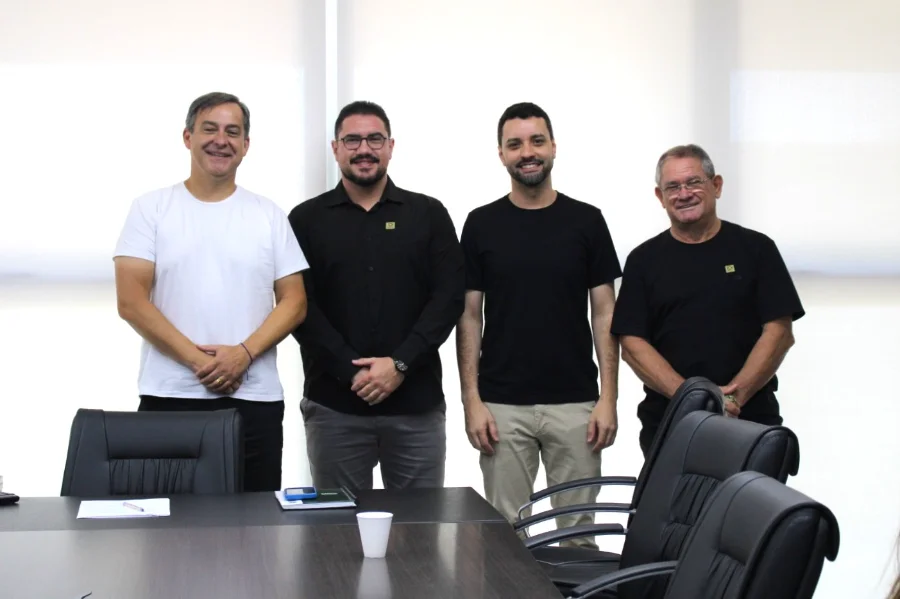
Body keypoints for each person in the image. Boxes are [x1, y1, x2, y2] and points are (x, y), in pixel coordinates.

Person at [113, 92, 309, 492]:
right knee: (168, 523)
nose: (222, 140)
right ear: (188, 137)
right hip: (169, 394)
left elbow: (294, 301)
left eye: (233, 132)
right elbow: (131, 302)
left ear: (246, 145)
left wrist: (243, 355)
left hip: (254, 399)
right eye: (210, 129)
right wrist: (201, 362)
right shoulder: (151, 209)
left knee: (254, 522)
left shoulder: (269, 214)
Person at [456, 102, 621, 546]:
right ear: (501, 154)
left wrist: (608, 397)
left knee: (579, 538)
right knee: (504, 541)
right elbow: (468, 316)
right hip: (502, 407)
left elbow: (605, 312)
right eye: (515, 144)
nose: (527, 152)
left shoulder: (587, 221)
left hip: (576, 405)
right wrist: (472, 400)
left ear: (553, 147)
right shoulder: (480, 224)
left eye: (536, 141)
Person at [288, 100, 464, 491]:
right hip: (334, 408)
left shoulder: (428, 214)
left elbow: (448, 298)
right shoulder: (305, 220)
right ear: (336, 148)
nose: (364, 149)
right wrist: (352, 371)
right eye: (352, 140)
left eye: (375, 139)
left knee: (420, 525)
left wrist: (400, 363)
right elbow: (298, 306)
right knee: (336, 524)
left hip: (416, 408)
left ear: (391, 146)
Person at [611, 144, 804, 456]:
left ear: (717, 186)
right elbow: (633, 345)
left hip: (752, 422)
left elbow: (779, 332)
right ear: (660, 197)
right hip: (670, 425)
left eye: (693, 182)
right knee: (673, 494)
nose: (684, 194)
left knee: (753, 492)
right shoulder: (643, 261)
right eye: (673, 187)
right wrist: (693, 400)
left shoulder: (757, 249)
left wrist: (733, 399)